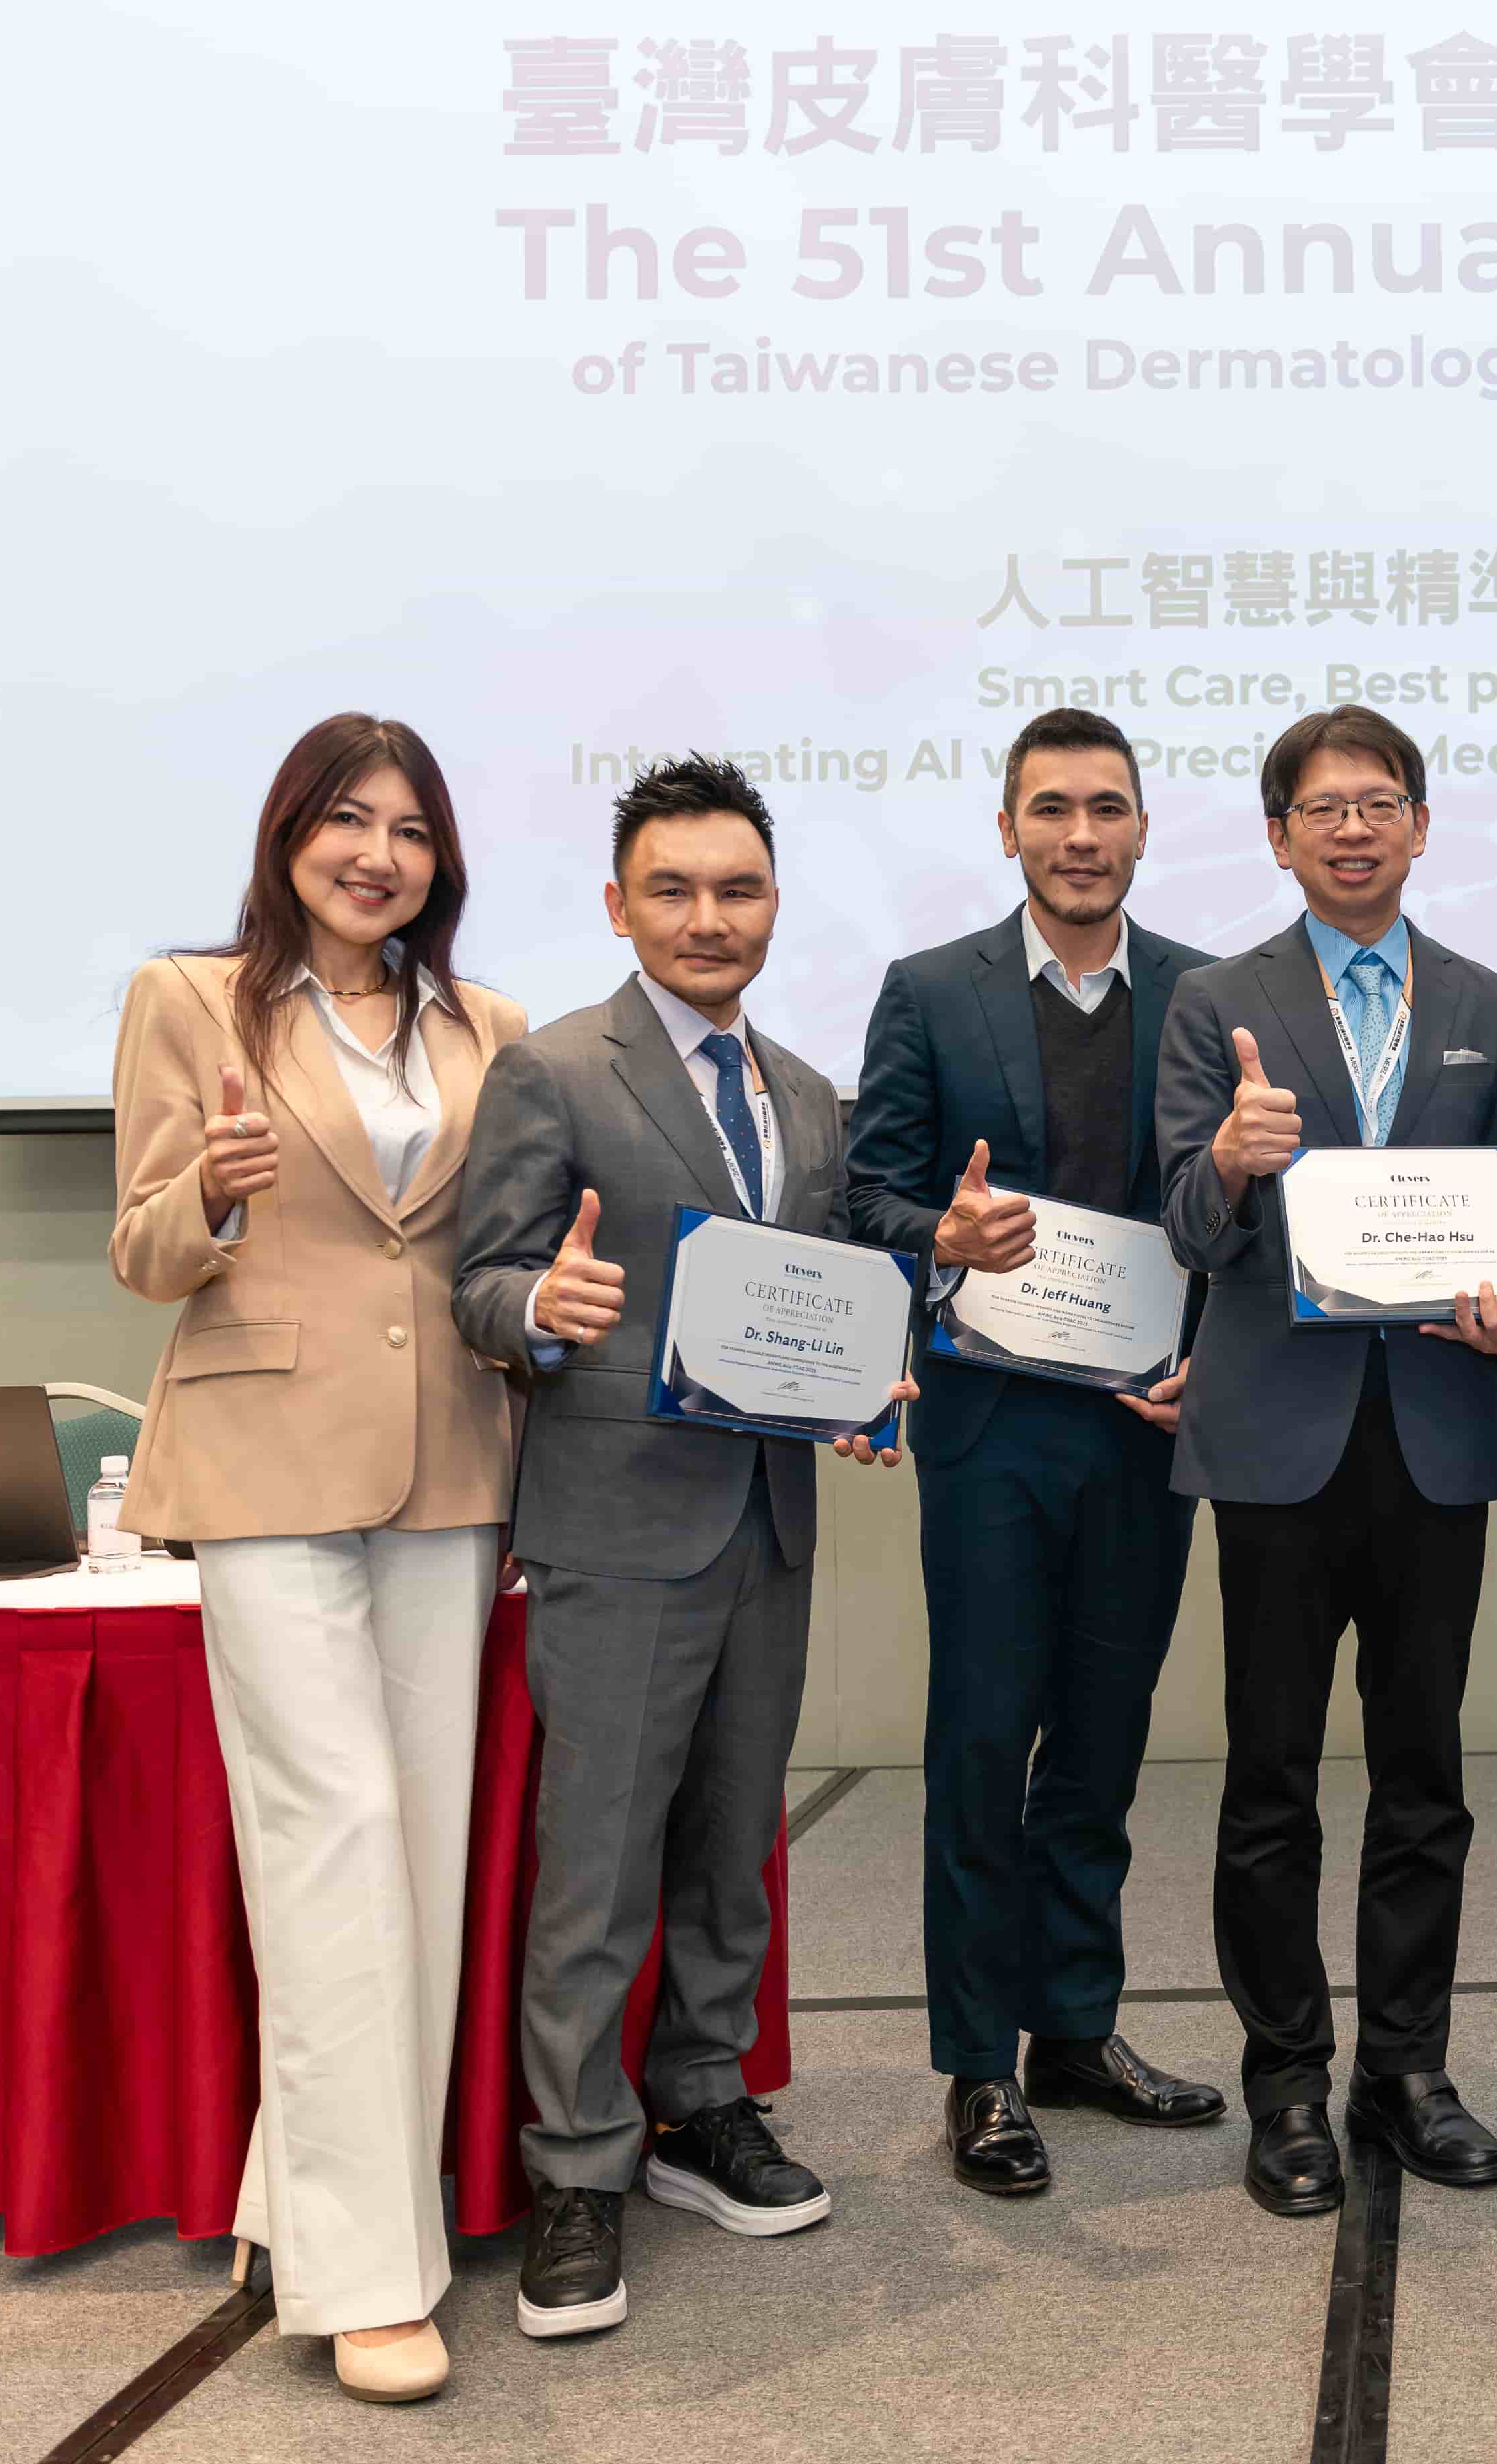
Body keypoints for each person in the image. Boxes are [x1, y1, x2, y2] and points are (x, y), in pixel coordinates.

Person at [453, 752, 910, 2340]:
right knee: (597, 1865)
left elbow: (825, 1295)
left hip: (768, 1517)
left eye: (737, 889)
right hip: (616, 1523)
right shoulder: (554, 1071)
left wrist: (865, 1386)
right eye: (674, 890)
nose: (708, 917)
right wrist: (540, 1305)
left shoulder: (809, 1094)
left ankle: (703, 2103)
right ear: (618, 905)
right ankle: (577, 2168)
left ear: (775, 904)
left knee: (731, 1843)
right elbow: (481, 1282)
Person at [108, 714, 519, 2406]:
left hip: (452, 1461)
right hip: (264, 1456)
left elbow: (492, 1249)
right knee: (330, 1837)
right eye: (348, 821)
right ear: (290, 839)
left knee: (415, 1848)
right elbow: (142, 1254)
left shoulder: (486, 1026)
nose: (379, 854)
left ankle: (307, 2201)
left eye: (411, 830)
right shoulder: (191, 1000)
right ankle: (367, 2277)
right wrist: (207, 1190)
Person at [1154, 705, 1497, 2217]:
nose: (1354, 829)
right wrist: (1228, 1161)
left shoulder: (1490, 1002)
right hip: (1275, 1441)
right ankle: (1286, 2084)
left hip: (1435, 1433)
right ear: (1278, 837)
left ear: (1423, 826)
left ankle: (1408, 2069)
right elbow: (1188, 1227)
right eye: (1322, 808)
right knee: (1269, 1781)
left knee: (1424, 1777)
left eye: (1381, 803)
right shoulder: (1217, 1002)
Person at [840, 709, 1225, 2197]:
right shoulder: (930, 991)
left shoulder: (1205, 995)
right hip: (992, 1432)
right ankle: (978, 2064)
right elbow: (872, 1193)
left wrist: (1213, 1355)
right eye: (1051, 808)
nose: (1080, 834)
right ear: (1007, 829)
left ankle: (1074, 2025)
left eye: (1106, 808)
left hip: (1144, 1426)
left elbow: (1229, 1215)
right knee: (986, 1742)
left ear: (1143, 829)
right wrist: (940, 1233)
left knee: (1104, 1741)